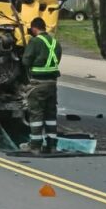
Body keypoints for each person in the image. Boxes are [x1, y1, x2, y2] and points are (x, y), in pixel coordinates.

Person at [21, 16, 62, 154]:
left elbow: (26, 61)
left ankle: (35, 146)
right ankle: (52, 145)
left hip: (38, 84)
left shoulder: (35, 41)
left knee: (36, 115)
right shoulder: (55, 42)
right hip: (52, 84)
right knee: (51, 115)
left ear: (34, 28)